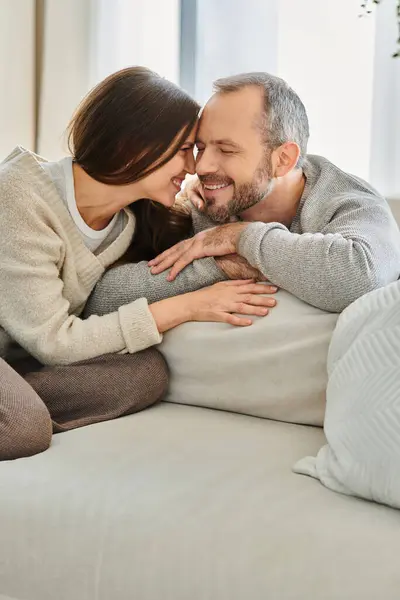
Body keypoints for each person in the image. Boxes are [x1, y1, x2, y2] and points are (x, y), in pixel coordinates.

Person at [0, 67, 276, 461]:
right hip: (35, 346)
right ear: (135, 144)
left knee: (144, 374)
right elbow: (55, 343)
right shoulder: (19, 195)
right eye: (185, 149)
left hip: (14, 355)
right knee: (23, 428)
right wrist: (187, 307)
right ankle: (19, 413)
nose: (194, 167)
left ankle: (18, 405)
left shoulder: (128, 225)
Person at [86, 72, 400, 318]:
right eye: (201, 147)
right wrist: (221, 265)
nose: (202, 165)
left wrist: (241, 237)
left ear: (283, 160)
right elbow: (101, 298)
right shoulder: (203, 204)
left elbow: (363, 276)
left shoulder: (350, 201)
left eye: (226, 149)